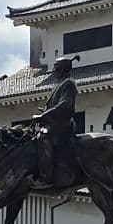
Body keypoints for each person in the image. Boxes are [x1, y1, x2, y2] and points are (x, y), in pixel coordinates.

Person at [32, 56, 79, 187]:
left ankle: (46, 178)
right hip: (55, 123)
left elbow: (65, 106)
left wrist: (44, 116)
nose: (53, 71)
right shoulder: (62, 84)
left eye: (56, 68)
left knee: (43, 139)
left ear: (63, 69)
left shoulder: (69, 84)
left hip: (62, 125)